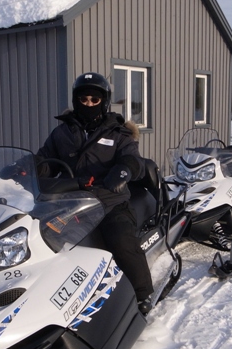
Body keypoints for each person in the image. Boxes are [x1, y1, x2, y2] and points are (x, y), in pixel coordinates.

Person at [35, 72, 154, 314]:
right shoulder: (62, 133)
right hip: (71, 203)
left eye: (94, 100)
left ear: (104, 102)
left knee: (121, 241)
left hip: (110, 202)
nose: (88, 104)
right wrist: (28, 167)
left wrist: (124, 169)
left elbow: (133, 158)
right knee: (42, 241)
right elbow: (46, 159)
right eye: (84, 99)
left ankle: (143, 294)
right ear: (76, 100)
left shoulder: (117, 133)